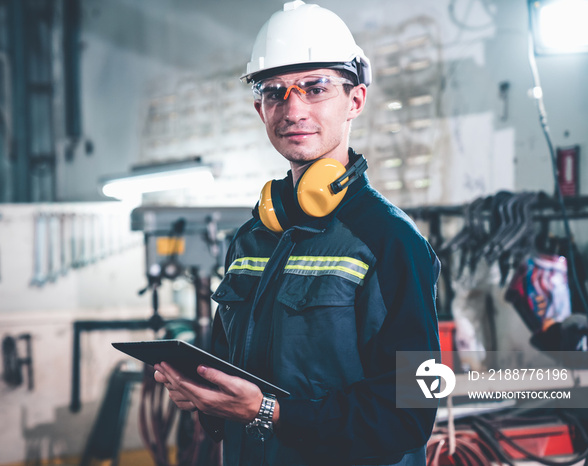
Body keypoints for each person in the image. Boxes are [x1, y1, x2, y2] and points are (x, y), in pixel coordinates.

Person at [154, 1, 441, 464]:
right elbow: (234, 380)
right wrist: (203, 397)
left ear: (355, 100)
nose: (293, 108)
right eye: (275, 92)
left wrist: (270, 411)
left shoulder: (392, 242)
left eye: (315, 87)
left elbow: (410, 412)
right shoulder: (249, 240)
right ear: (259, 108)